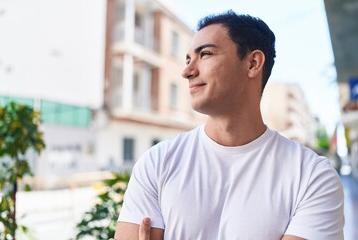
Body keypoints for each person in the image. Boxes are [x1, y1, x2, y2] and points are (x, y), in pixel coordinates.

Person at [113, 10, 344, 240]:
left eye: (205, 54)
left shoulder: (312, 176)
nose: (187, 71)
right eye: (187, 59)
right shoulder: (157, 163)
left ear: (253, 63)